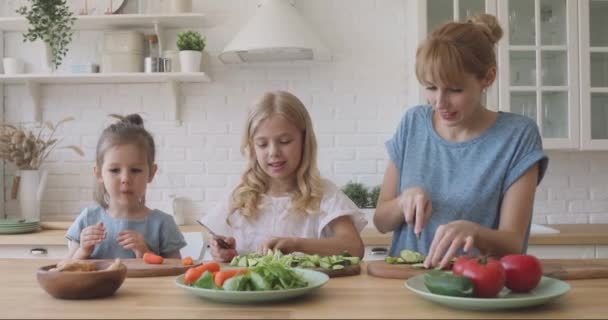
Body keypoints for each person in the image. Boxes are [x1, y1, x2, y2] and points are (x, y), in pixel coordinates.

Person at [373, 14, 548, 269]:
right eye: (431, 87)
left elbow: (513, 243)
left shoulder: (518, 136)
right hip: (404, 283)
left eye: (455, 90)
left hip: (476, 288)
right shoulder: (413, 124)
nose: (440, 102)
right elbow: (381, 221)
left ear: (488, 78)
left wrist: (473, 232)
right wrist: (403, 201)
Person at [201, 91, 367, 262]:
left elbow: (354, 248)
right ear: (252, 147)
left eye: (285, 141)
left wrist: (297, 244)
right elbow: (218, 244)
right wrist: (223, 252)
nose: (273, 152)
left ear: (304, 141)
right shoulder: (240, 196)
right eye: (262, 144)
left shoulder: (323, 194)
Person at [66, 114, 186, 259]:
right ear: (98, 173)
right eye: (115, 170)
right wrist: (83, 251)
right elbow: (65, 268)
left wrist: (145, 253)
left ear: (151, 173)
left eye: (135, 170)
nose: (126, 179)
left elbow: (175, 272)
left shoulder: (163, 224)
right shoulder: (87, 219)